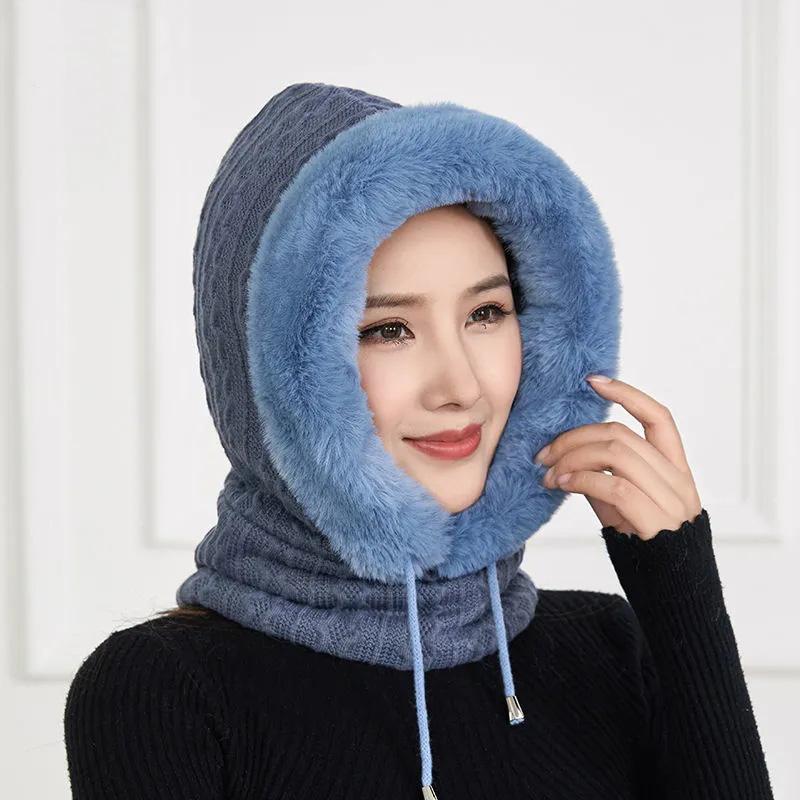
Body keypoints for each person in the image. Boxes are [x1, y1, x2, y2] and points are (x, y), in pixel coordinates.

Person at [63, 82, 774, 799]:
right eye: (388, 329)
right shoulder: (164, 691)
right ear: (267, 365)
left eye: (487, 313)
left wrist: (677, 584)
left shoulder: (608, 645)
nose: (461, 386)